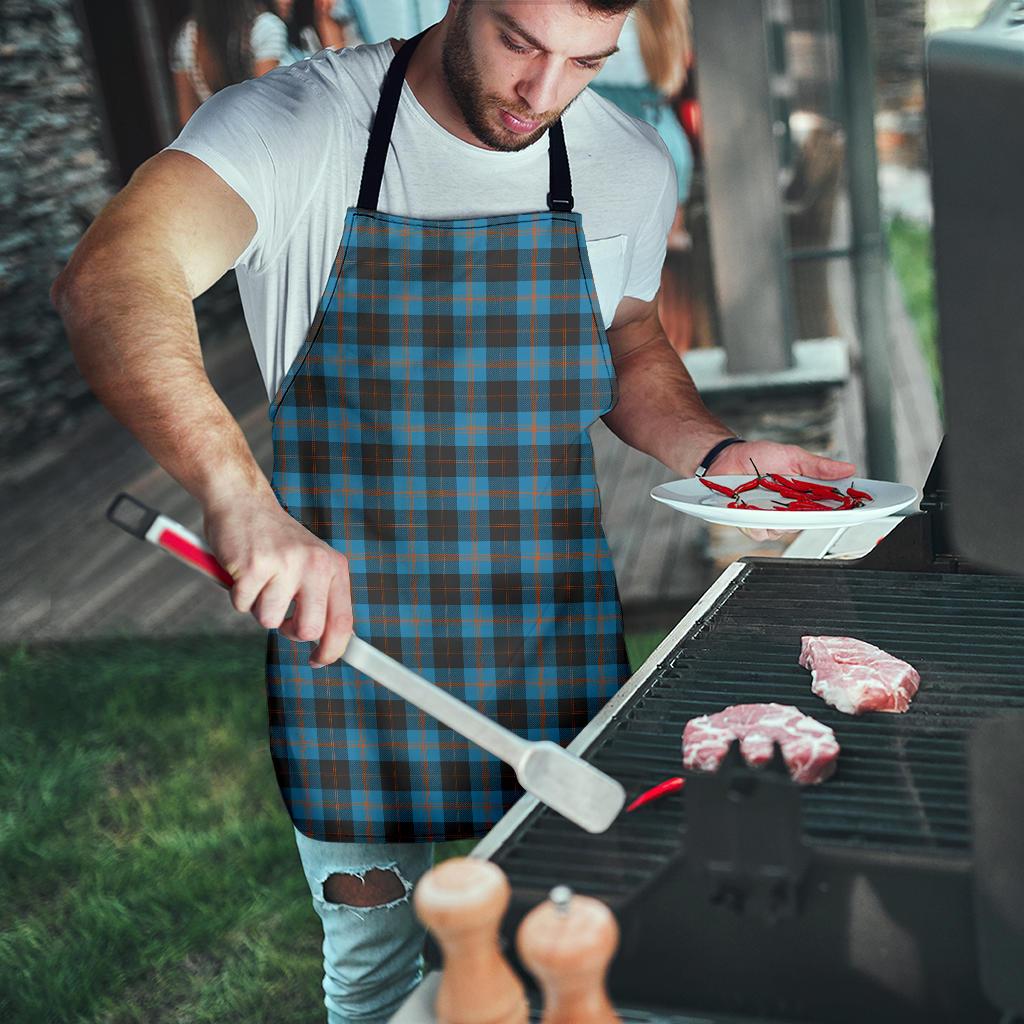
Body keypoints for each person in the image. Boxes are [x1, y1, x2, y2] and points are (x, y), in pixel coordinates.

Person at [53, 2, 856, 1020]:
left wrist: (718, 450)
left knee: (572, 952)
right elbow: (113, 275)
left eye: (585, 62)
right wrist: (239, 498)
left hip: (548, 634)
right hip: (347, 653)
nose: (543, 93)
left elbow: (629, 336)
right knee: (378, 975)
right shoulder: (299, 125)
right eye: (521, 43)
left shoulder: (623, 160)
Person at [169, 0, 289, 128]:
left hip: (217, 141)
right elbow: (269, 107)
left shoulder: (187, 37)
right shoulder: (265, 27)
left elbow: (187, 120)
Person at [275, 0, 351, 64]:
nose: (288, 2)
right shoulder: (271, 26)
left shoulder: (307, 29)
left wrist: (323, 17)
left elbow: (339, 62)